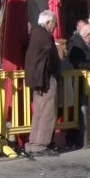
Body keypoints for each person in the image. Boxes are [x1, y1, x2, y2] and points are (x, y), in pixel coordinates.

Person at [24, 10, 61, 157]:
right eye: (54, 23)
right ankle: (40, 145)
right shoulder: (45, 35)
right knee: (47, 112)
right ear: (47, 23)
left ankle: (33, 143)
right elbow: (51, 56)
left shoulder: (35, 33)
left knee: (39, 111)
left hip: (36, 79)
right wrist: (55, 69)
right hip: (45, 78)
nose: (55, 27)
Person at [66, 23, 90, 149]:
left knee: (86, 108)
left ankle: (84, 135)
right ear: (88, 35)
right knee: (77, 110)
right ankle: (72, 138)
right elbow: (79, 63)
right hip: (79, 81)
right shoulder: (76, 44)